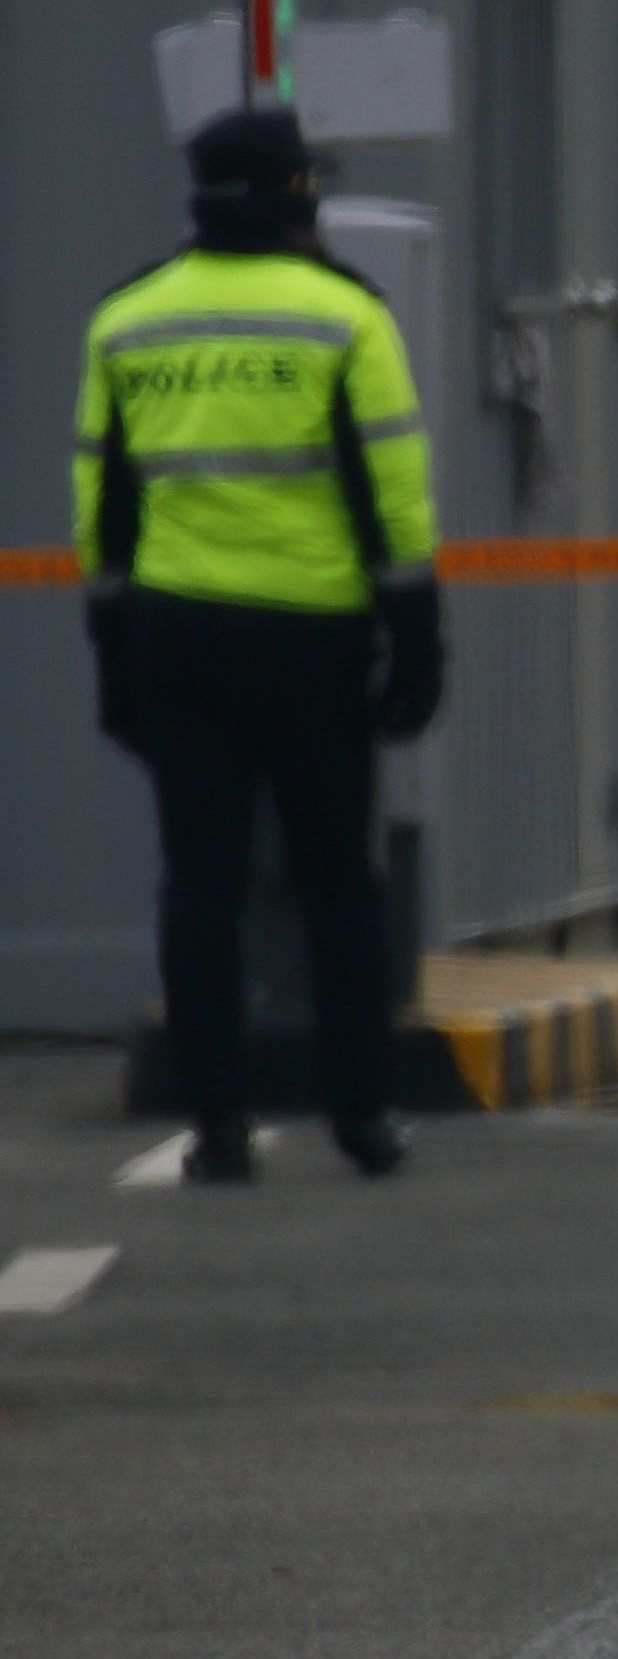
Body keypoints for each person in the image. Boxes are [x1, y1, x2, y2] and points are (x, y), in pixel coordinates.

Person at [75, 108, 443, 1184]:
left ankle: (219, 1129)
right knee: (340, 883)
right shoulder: (344, 318)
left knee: (199, 883)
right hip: (313, 641)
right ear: (293, 193)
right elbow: (395, 495)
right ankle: (363, 1116)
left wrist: (110, 652)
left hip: (177, 637)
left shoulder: (128, 319)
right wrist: (418, 641)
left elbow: (102, 505)